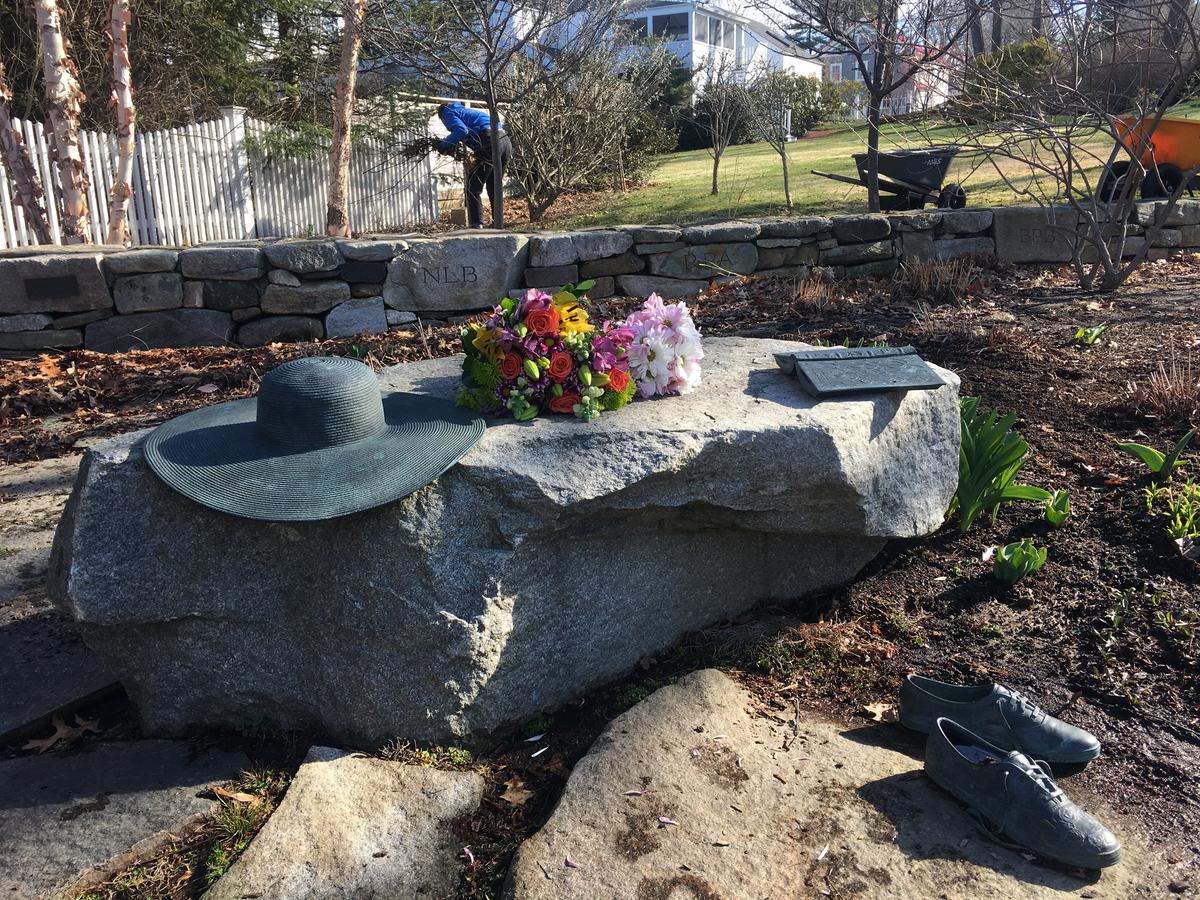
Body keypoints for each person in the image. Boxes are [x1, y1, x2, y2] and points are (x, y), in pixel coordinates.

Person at [437, 102, 511, 229]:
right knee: (494, 187)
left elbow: (461, 130)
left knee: (473, 186)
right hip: (505, 141)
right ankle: (498, 224)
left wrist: (443, 145)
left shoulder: (448, 112)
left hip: (490, 141)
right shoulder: (467, 112)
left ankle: (477, 225)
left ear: (442, 116)